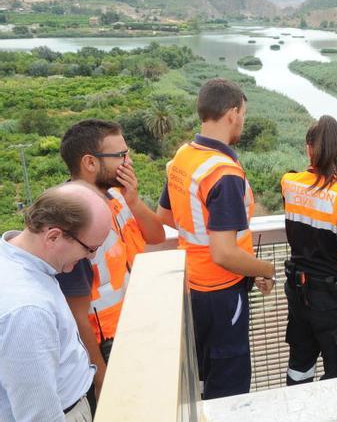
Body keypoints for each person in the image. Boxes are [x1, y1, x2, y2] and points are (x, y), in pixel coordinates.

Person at [157, 78, 275, 399]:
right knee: (229, 387)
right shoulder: (223, 173)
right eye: (244, 114)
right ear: (233, 113)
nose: (243, 122)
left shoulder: (183, 156)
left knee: (201, 376)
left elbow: (165, 217)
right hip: (222, 294)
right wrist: (265, 268)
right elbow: (223, 253)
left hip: (192, 286)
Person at [56, 119, 166, 399]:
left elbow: (156, 236)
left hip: (134, 324)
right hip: (107, 342)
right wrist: (100, 373)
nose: (128, 162)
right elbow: (75, 314)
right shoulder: (74, 219)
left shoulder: (116, 196)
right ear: (90, 163)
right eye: (120, 156)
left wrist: (134, 201)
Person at [1, 183, 112, 422]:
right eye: (89, 249)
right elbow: (38, 415)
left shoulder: (15, 257)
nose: (91, 257)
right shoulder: (28, 310)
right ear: (53, 236)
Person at [281, 115, 337, 385]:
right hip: (332, 301)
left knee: (300, 367)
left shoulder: (288, 183)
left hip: (298, 293)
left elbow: (308, 186)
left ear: (308, 148)